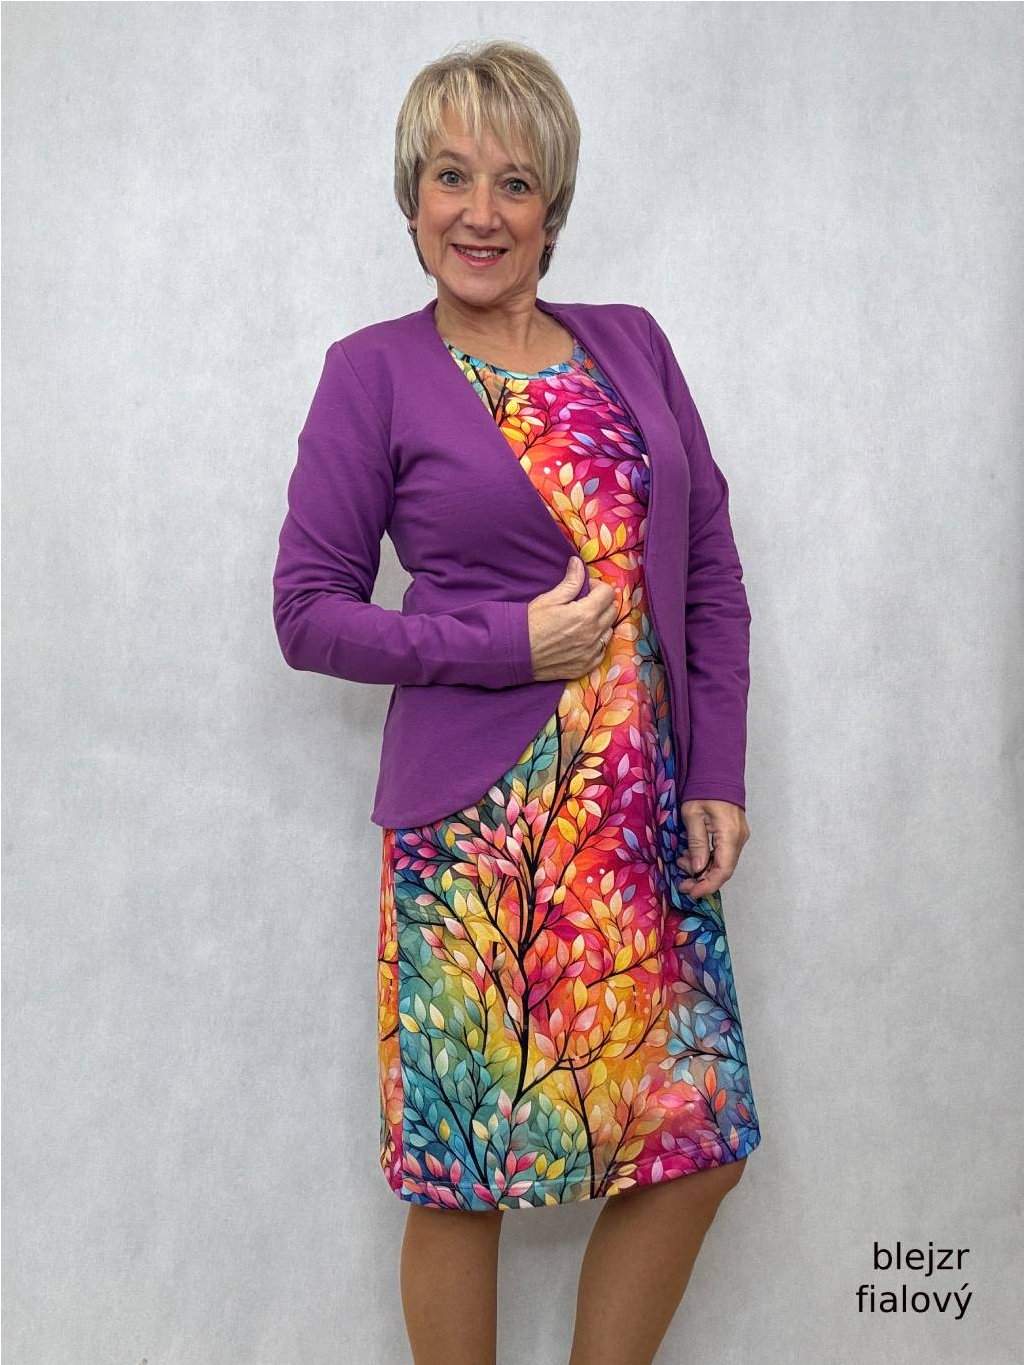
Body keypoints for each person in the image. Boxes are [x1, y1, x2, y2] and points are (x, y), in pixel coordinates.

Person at [273, 38, 762, 1365]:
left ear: (555, 207)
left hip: (638, 826)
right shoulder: (373, 371)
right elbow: (308, 611)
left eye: (514, 182)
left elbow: (707, 569)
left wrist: (717, 771)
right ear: (411, 197)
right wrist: (508, 641)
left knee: (697, 1142)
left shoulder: (633, 346)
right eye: (450, 177)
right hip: (475, 838)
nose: (478, 212)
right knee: (464, 1171)